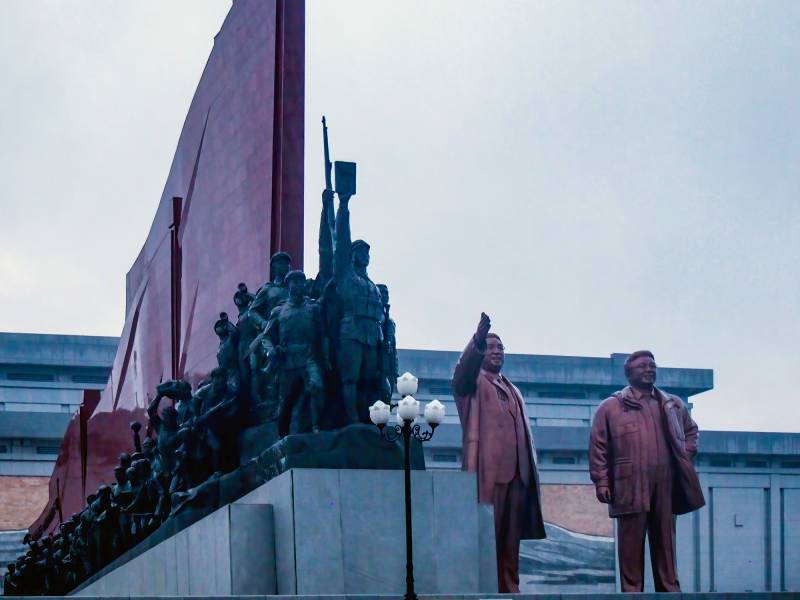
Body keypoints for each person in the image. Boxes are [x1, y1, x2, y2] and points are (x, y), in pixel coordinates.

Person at [589, 350, 705, 592]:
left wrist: (685, 454)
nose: (650, 369)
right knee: (631, 543)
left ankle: (670, 590)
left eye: (653, 365)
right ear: (629, 373)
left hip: (665, 483)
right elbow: (599, 447)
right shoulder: (610, 407)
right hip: (629, 483)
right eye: (643, 366)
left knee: (665, 541)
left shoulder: (672, 404)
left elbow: (691, 431)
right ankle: (632, 593)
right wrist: (601, 481)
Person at [451, 312, 545, 593]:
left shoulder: (513, 388)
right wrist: (477, 340)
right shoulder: (472, 384)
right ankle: (487, 589)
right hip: (488, 472)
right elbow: (461, 374)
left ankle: (509, 587)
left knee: (510, 537)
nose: (496, 351)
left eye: (500, 347)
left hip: (518, 474)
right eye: (490, 347)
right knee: (486, 534)